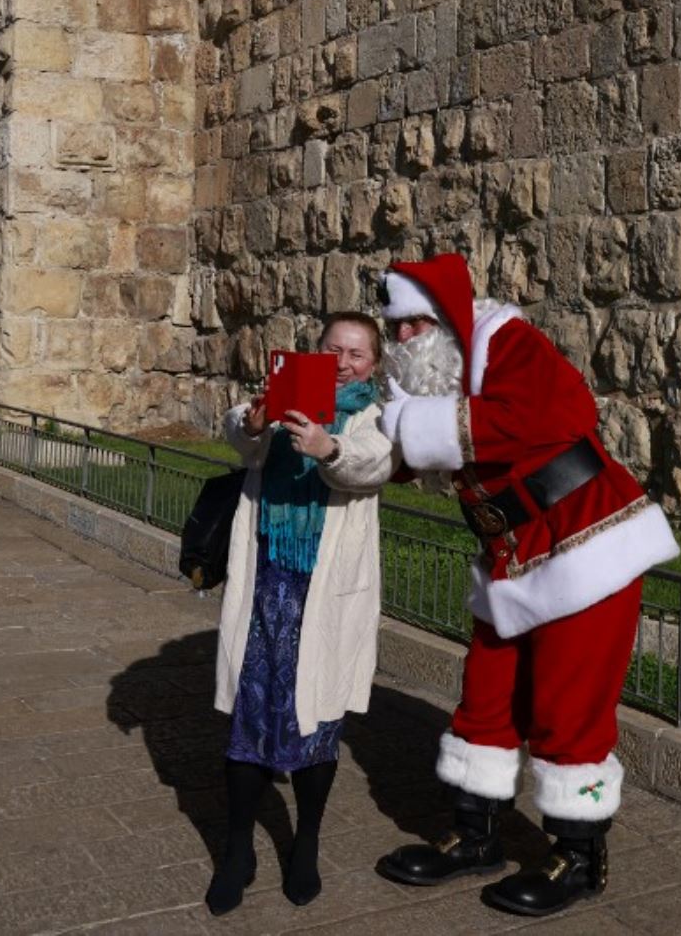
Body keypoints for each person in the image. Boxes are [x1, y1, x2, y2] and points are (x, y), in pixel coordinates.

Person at [371, 253, 679, 918]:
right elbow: (398, 454)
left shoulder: (507, 342)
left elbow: (560, 410)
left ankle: (580, 853)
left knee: (570, 709)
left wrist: (413, 428)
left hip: (587, 541)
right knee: (485, 697)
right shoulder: (435, 376)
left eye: (415, 325)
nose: (405, 342)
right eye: (395, 330)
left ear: (447, 317)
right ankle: (475, 833)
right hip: (511, 557)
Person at [207, 311, 395, 915]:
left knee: (315, 724)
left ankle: (306, 842)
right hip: (267, 582)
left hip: (325, 593)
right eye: (334, 349)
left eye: (358, 353)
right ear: (315, 352)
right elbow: (238, 432)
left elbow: (373, 465)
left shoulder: (377, 418)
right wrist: (256, 422)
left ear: (374, 364)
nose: (343, 362)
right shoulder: (284, 396)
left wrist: (328, 446)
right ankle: (237, 850)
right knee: (248, 719)